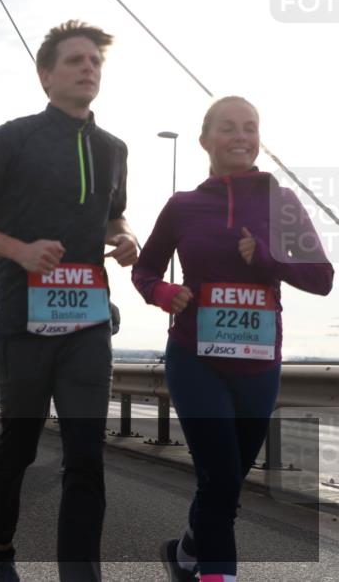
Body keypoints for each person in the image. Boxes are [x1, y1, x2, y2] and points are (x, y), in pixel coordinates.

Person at [0, 21, 137, 581]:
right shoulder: (12, 138)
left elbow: (111, 215)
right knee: (20, 443)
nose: (88, 68)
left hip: (88, 322)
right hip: (20, 320)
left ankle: (80, 572)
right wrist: (18, 251)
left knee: (85, 453)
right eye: (75, 60)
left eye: (94, 61)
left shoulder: (113, 149)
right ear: (46, 76)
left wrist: (125, 238)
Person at [131, 96, 333, 582]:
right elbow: (145, 268)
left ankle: (186, 553)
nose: (241, 136)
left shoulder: (280, 201)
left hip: (259, 365)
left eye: (250, 127)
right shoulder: (182, 206)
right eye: (229, 128)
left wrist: (269, 261)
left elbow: (322, 277)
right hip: (194, 358)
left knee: (226, 484)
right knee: (220, 479)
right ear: (205, 140)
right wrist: (162, 292)